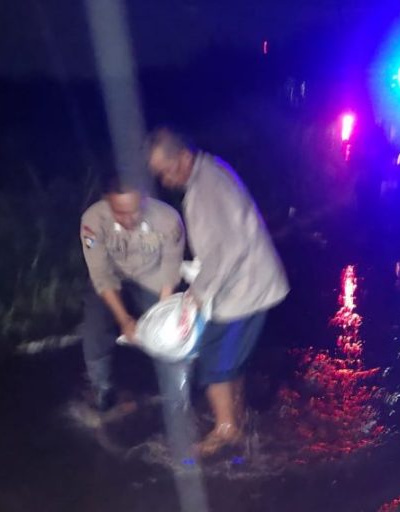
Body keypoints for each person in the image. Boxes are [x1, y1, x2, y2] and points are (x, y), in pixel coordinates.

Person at [144, 127, 289, 456]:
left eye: (166, 171)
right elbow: (220, 247)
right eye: (159, 175)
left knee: (213, 361)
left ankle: (227, 431)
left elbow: (227, 251)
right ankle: (238, 418)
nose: (165, 180)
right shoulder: (209, 173)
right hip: (247, 284)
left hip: (243, 290)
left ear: (184, 157)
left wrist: (196, 296)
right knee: (230, 358)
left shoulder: (207, 187)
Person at [78, 175, 184, 411]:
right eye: (120, 213)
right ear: (108, 201)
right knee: (94, 326)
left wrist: (162, 315)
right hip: (113, 277)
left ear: (144, 199)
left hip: (152, 279)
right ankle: (101, 386)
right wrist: (125, 320)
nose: (128, 220)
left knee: (169, 330)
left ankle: (176, 382)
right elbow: (101, 274)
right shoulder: (92, 221)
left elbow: (170, 272)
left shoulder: (168, 220)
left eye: (134, 212)